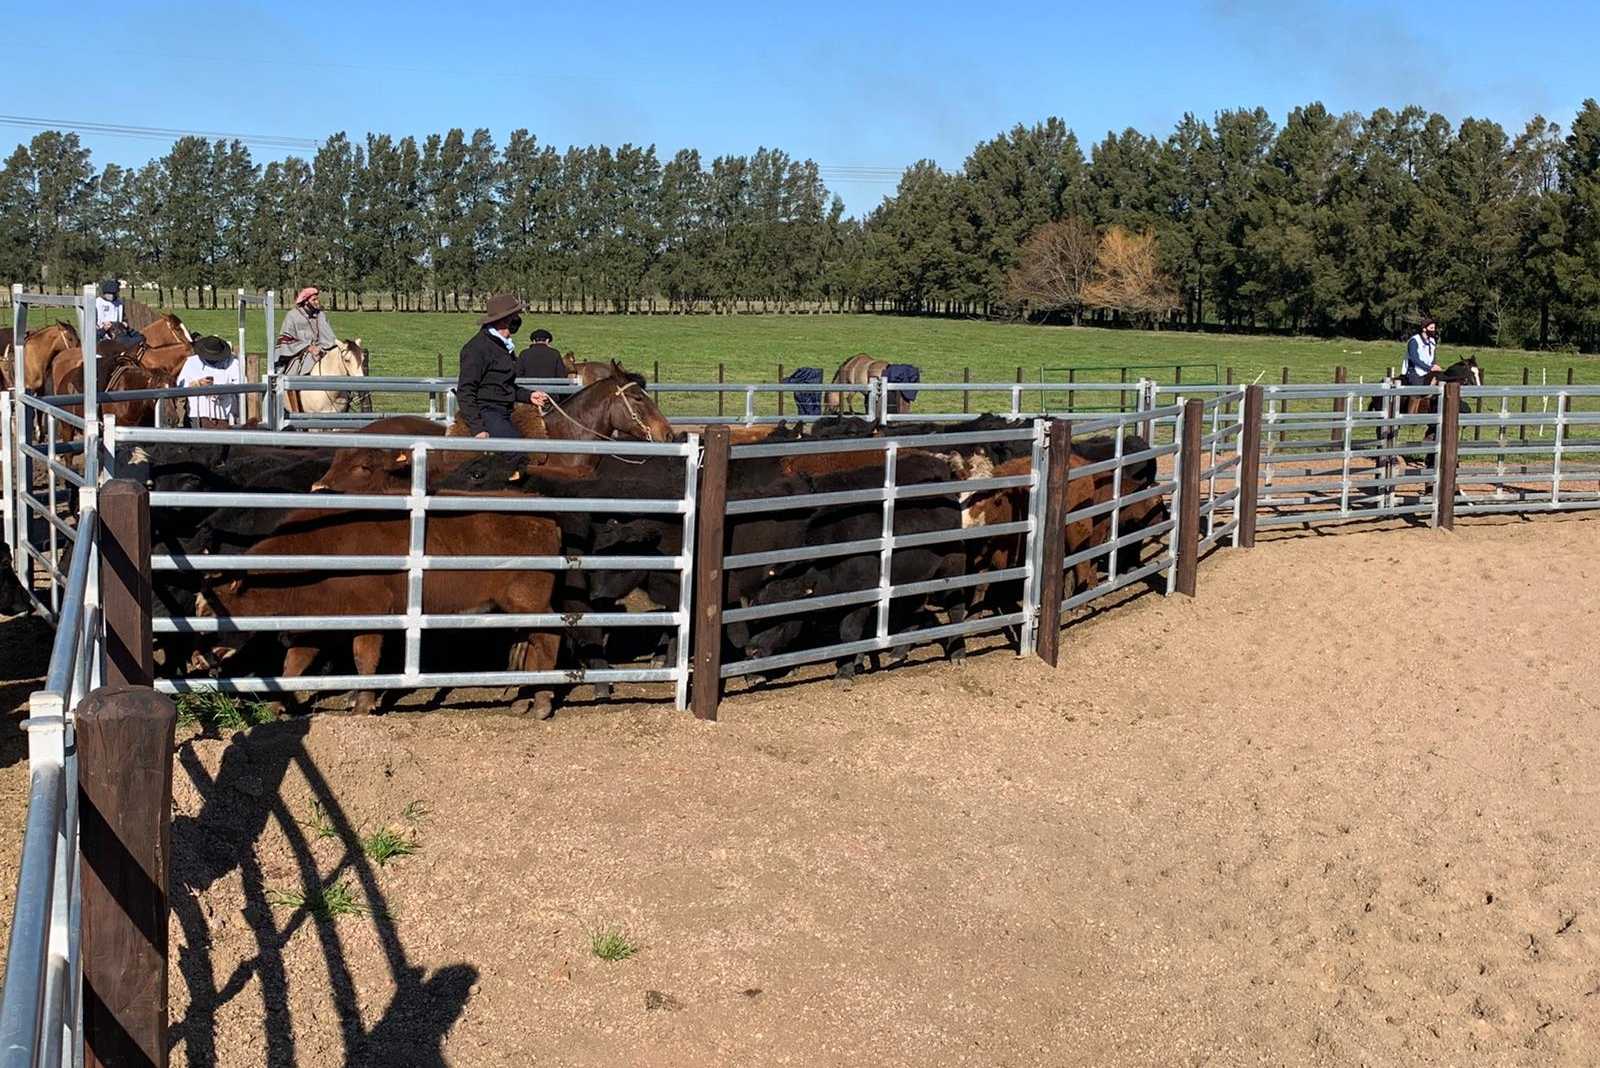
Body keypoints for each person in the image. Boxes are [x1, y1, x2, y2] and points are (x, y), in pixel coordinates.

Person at [457, 294, 535, 438]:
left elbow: (504, 386)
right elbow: (465, 390)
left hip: (505, 410)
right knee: (517, 453)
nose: (518, 320)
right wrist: (477, 428)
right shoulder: (477, 348)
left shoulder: (503, 346)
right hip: (487, 411)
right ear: (505, 320)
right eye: (516, 316)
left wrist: (529, 396)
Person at [176, 335, 244, 428]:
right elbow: (181, 386)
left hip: (223, 414)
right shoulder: (191, 363)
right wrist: (198, 384)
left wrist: (221, 390)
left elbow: (241, 384)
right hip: (197, 414)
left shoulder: (232, 362)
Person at [274, 286, 337, 375]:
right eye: (314, 300)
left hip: (321, 350)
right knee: (297, 364)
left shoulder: (321, 315)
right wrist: (308, 347)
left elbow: (329, 338)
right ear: (306, 301)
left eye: (317, 299)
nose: (317, 302)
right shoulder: (292, 315)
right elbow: (287, 340)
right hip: (297, 353)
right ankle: (292, 385)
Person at [514, 327, 566, 412]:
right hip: (550, 397)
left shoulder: (524, 353)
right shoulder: (555, 353)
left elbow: (517, 375)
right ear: (547, 340)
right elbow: (561, 377)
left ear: (533, 341)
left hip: (529, 396)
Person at [94, 280, 143, 346]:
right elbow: (92, 324)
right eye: (109, 293)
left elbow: (123, 317)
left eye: (113, 293)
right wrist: (103, 328)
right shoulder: (97, 303)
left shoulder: (119, 303)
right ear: (104, 293)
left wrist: (125, 323)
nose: (111, 295)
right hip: (102, 333)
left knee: (140, 337)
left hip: (118, 331)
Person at [1403, 317, 1442, 386]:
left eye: (1434, 328)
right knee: (1419, 391)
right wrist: (1430, 368)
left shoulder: (1432, 341)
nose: (1434, 330)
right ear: (1424, 329)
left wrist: (1434, 365)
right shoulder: (1414, 341)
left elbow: (1432, 357)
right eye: (1431, 328)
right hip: (1414, 372)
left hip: (1428, 370)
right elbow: (1415, 359)